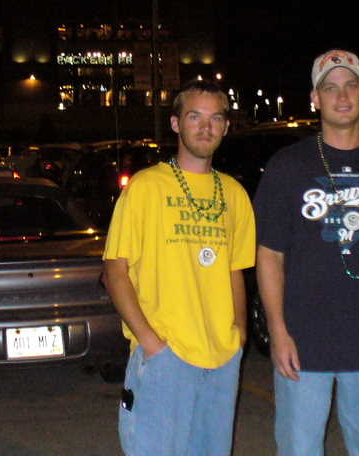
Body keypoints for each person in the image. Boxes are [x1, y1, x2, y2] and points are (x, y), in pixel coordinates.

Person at [255, 49, 359, 456]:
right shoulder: (287, 166)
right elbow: (269, 256)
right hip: (303, 341)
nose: (342, 95)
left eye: (350, 85)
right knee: (299, 449)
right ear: (315, 99)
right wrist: (278, 332)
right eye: (330, 88)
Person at [102, 80, 255, 456]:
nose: (205, 127)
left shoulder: (234, 193)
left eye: (215, 118)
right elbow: (115, 271)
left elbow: (235, 270)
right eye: (194, 117)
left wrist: (239, 337)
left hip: (222, 357)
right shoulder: (145, 187)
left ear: (226, 126)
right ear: (175, 124)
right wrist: (152, 343)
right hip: (165, 356)